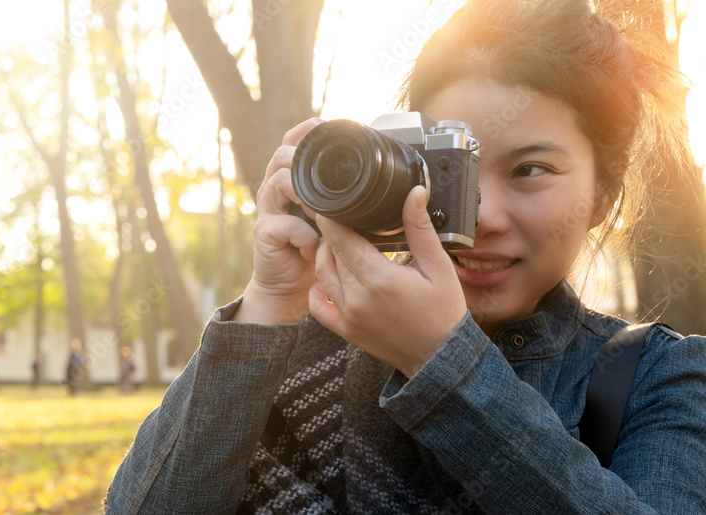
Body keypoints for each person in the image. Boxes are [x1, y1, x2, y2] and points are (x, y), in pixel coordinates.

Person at [106, 0, 706, 512]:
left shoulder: (661, 378)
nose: (484, 217)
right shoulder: (291, 343)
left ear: (603, 193)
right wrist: (269, 304)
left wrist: (442, 365)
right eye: (451, 172)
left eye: (530, 170)